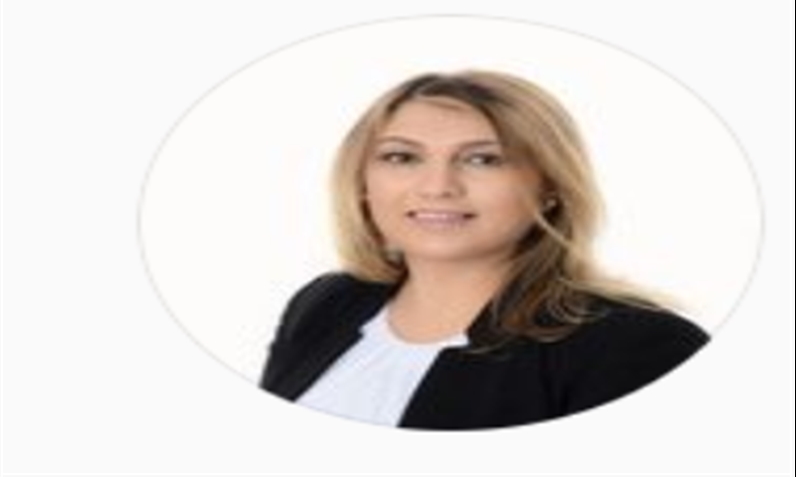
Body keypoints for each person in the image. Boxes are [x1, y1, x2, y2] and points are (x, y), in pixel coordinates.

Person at [259, 70, 709, 430]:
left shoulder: (638, 347)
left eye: (483, 159)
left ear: (551, 186)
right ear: (362, 182)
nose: (437, 187)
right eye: (402, 157)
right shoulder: (326, 303)